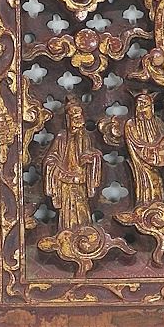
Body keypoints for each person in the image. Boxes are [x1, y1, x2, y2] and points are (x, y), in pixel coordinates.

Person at [42, 98, 102, 232]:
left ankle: (84, 234)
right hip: (65, 182)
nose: (77, 121)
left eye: (79, 117)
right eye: (74, 117)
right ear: (68, 119)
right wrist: (57, 170)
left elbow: (87, 156)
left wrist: (91, 159)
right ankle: (67, 234)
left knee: (82, 211)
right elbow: (51, 158)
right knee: (68, 214)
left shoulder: (85, 138)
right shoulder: (62, 137)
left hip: (80, 182)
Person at [123, 93, 164, 205]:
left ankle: (156, 205)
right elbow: (137, 145)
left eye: (145, 104)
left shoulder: (158, 123)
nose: (141, 107)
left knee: (157, 183)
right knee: (147, 182)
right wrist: (156, 151)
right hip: (141, 162)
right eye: (139, 104)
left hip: (157, 161)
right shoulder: (131, 124)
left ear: (151, 106)